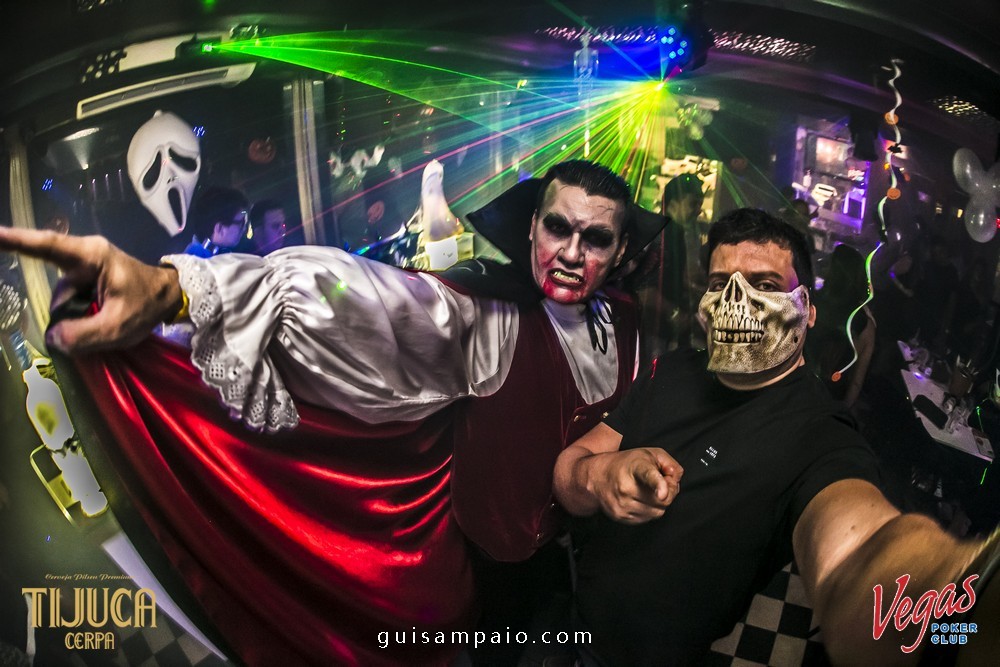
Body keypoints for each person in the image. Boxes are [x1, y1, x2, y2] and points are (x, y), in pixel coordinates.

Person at [0, 160, 666, 666]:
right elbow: (355, 299)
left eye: (595, 238)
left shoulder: (629, 322)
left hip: (592, 568)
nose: (571, 253)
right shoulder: (485, 318)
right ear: (532, 227)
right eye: (557, 228)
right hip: (498, 582)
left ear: (619, 253)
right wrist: (175, 291)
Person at [554, 208, 998, 665]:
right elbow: (568, 473)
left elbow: (859, 551)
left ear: (807, 310)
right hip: (567, 625)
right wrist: (600, 475)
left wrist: (956, 599)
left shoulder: (819, 435)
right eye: (719, 283)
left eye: (764, 285)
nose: (735, 300)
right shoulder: (669, 370)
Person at [637, 173, 704, 364]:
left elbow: (673, 277)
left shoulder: (676, 232)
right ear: (673, 203)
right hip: (650, 330)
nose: (698, 211)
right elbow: (644, 289)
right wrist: (674, 313)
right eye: (693, 204)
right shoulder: (660, 234)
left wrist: (700, 291)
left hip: (663, 331)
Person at [807, 243, 877, 409]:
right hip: (829, 402)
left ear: (835, 271)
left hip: (797, 389)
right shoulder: (866, 326)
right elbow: (856, 383)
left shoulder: (811, 303)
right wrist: (841, 413)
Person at [182, 186, 250, 258]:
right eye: (241, 222)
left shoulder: (196, 256)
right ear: (220, 228)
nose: (244, 228)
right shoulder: (200, 262)